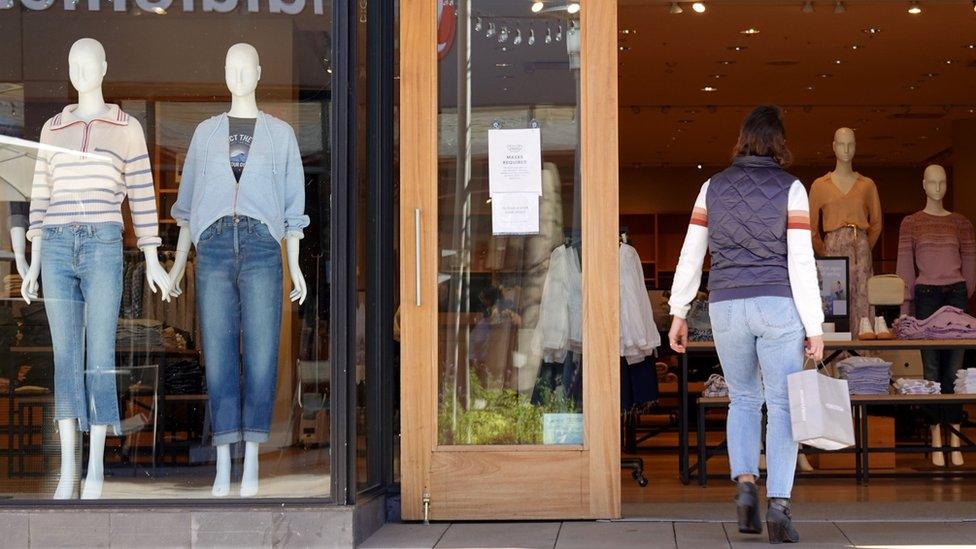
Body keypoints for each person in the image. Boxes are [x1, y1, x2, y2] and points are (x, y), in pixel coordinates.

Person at [667, 106, 824, 544]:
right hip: (777, 305)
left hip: (727, 305)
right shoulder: (791, 188)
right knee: (782, 405)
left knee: (742, 399)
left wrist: (679, 311)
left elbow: (691, 253)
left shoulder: (711, 187)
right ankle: (779, 507)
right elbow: (801, 260)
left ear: (742, 139)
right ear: (780, 142)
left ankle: (744, 488)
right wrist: (815, 324)